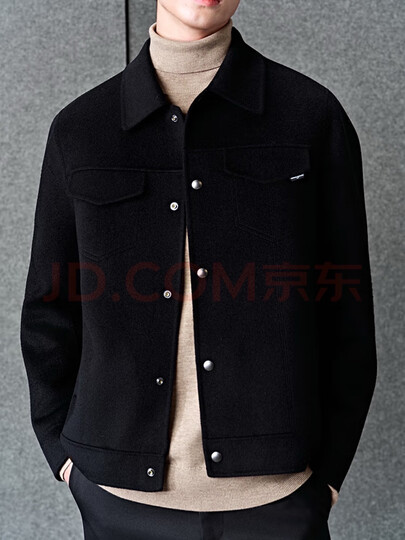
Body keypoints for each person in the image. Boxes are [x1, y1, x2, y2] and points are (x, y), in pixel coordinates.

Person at [20, 0, 377, 538]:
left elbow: (347, 309)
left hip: (279, 498)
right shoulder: (81, 129)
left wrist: (326, 476)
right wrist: (65, 456)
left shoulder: (310, 115)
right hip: (118, 499)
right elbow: (49, 308)